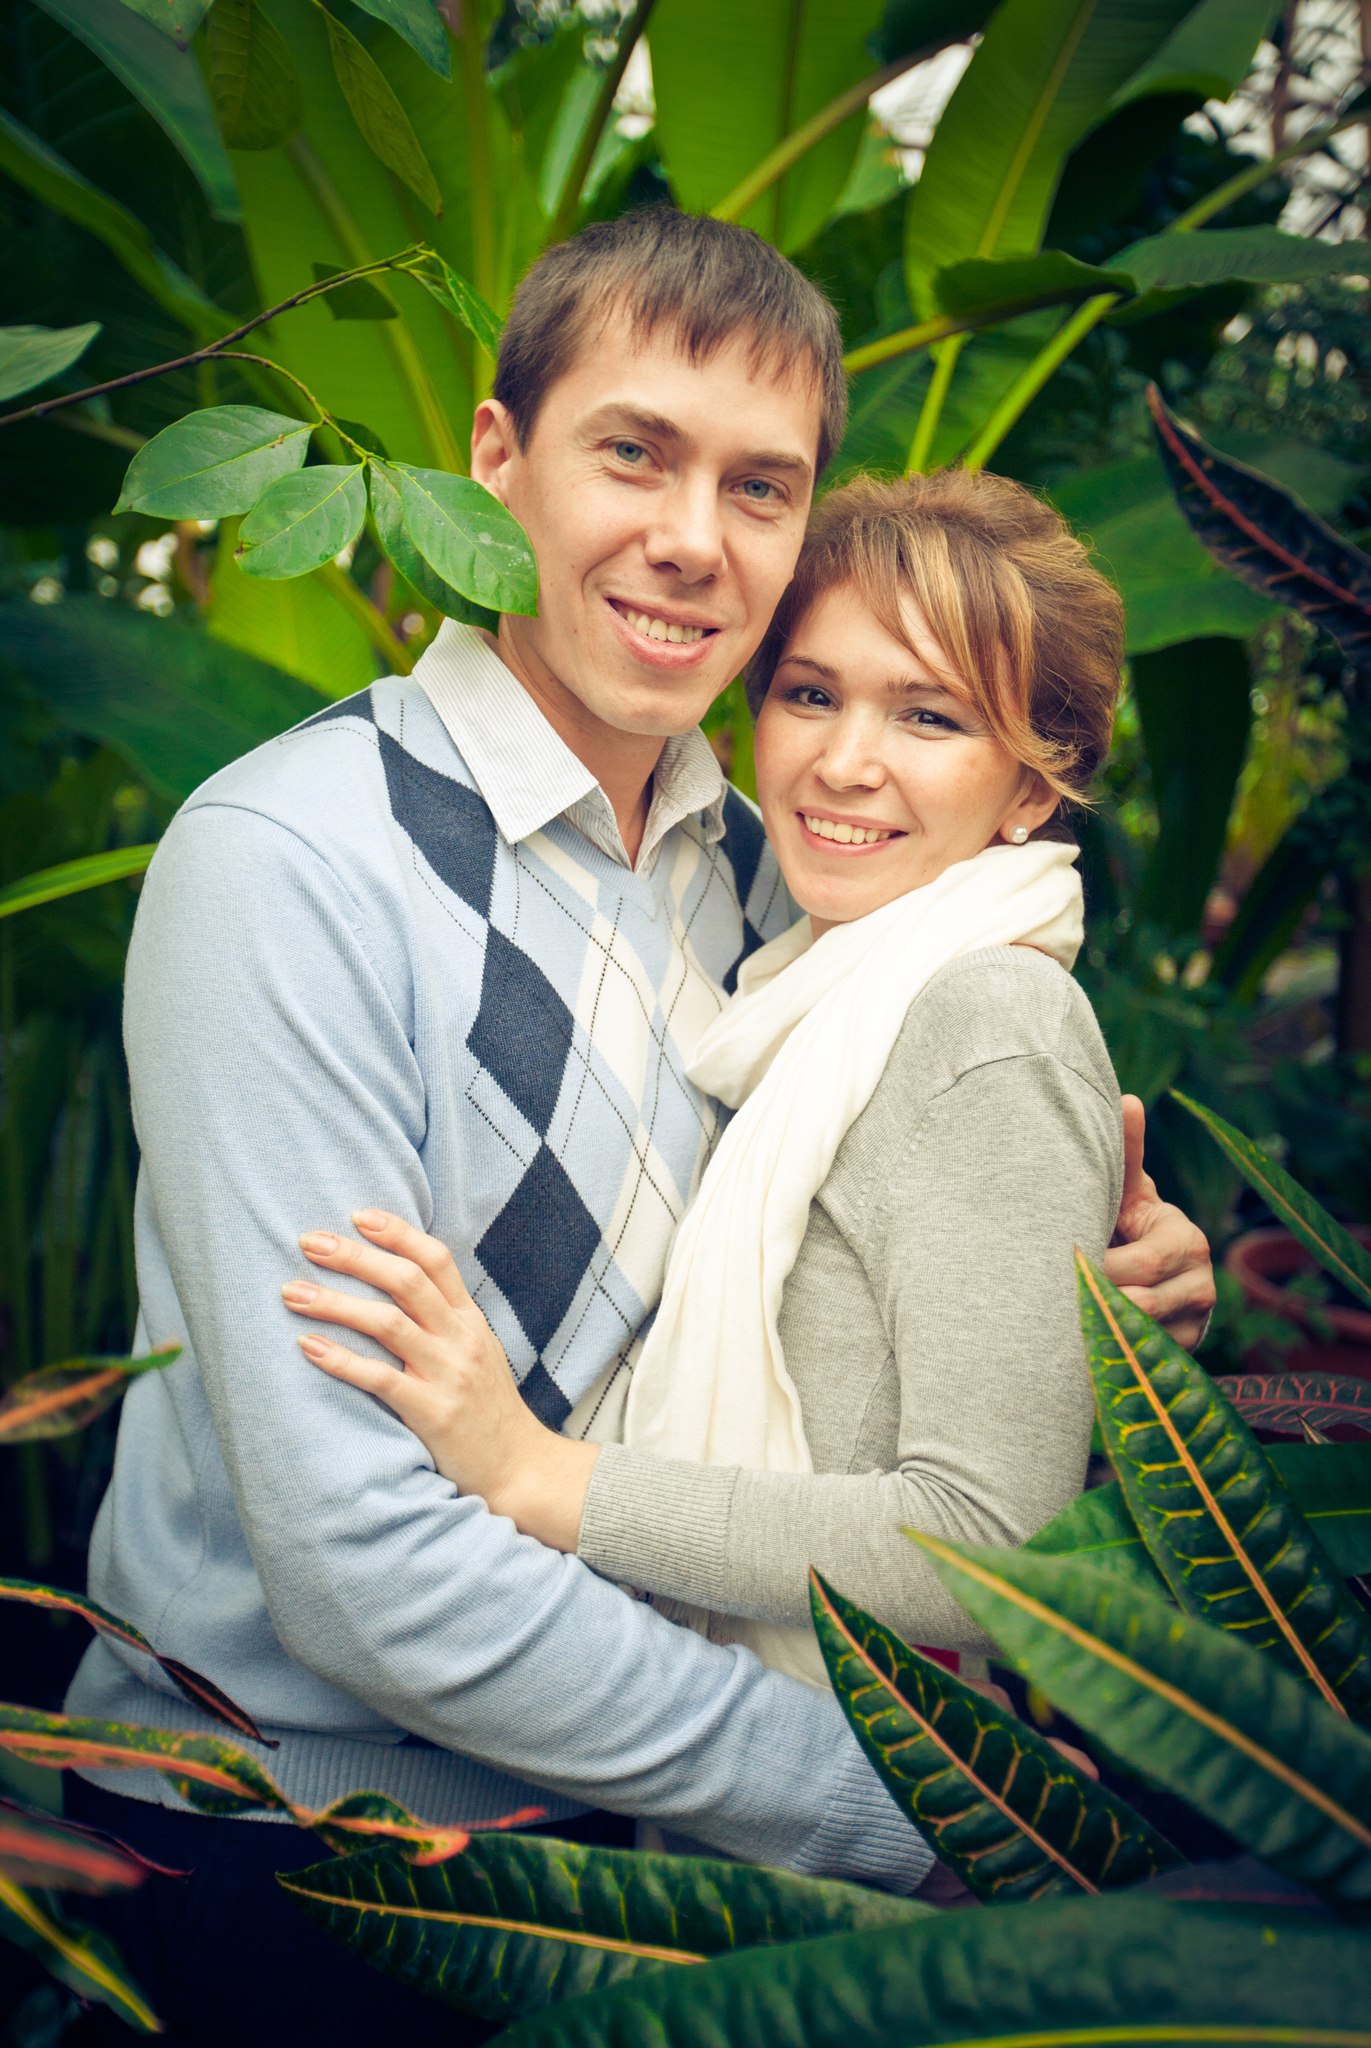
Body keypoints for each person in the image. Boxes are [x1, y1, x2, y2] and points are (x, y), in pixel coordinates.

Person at [64, 210, 1213, 2044]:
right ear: (498, 457)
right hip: (312, 1848)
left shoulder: (777, 887)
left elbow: (874, 1297)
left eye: (760, 486)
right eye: (633, 452)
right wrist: (900, 1808)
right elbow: (360, 1564)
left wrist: (1084, 1294)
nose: (693, 537)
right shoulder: (294, 864)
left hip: (657, 1847)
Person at [284, 468, 1127, 1706]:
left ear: (1034, 788)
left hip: (873, 1774)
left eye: (929, 717)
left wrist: (537, 1475)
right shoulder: (796, 969)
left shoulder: (990, 1018)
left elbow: (992, 1552)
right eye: (811, 693)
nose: (845, 762)